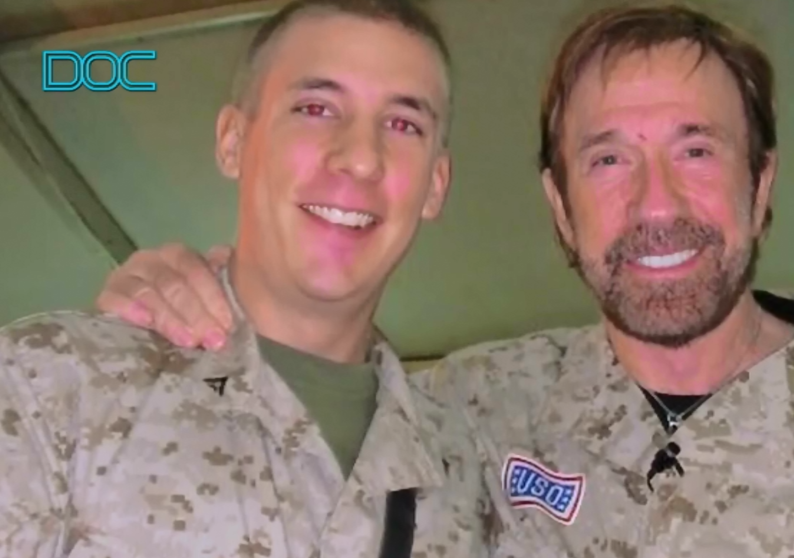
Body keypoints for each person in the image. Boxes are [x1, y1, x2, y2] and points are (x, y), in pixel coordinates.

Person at [96, 3, 794, 558]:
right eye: (607, 160)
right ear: (560, 208)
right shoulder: (462, 416)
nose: (655, 203)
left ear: (761, 184)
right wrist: (190, 295)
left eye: (696, 148)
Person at [0, 1, 487, 556]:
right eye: (316, 107)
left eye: (403, 124)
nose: (360, 158)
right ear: (233, 141)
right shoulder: (53, 387)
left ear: (436, 185)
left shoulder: (474, 472)